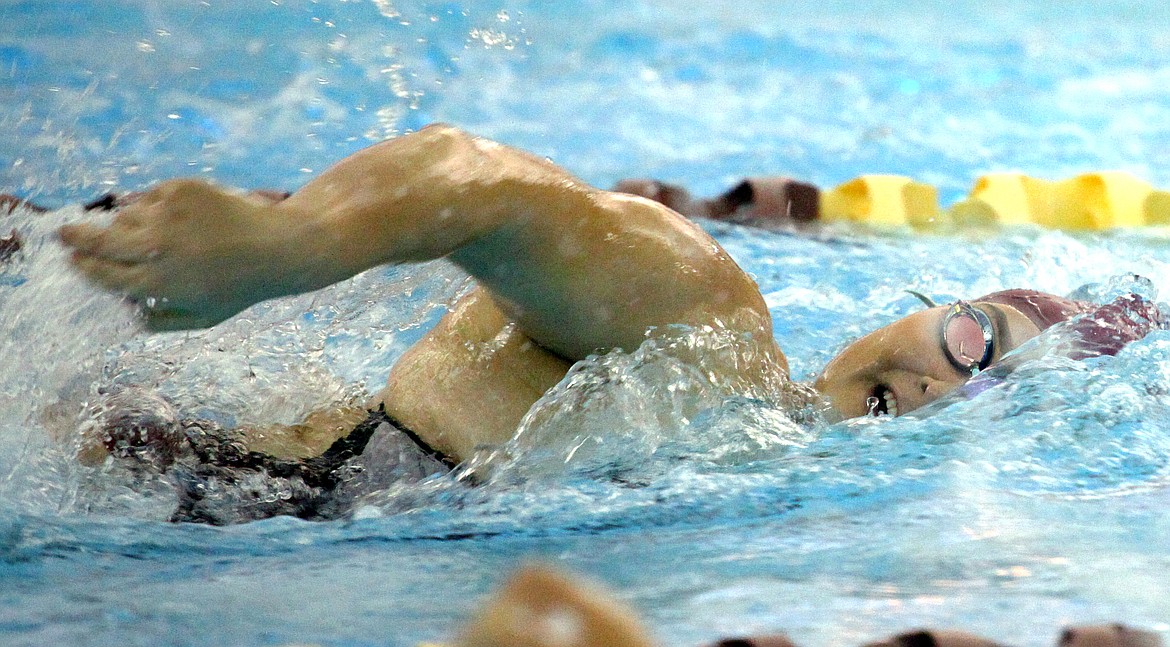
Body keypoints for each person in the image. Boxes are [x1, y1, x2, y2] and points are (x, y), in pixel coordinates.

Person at [54, 124, 1164, 522]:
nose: (946, 391)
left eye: (997, 399)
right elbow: (475, 178)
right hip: (167, 479)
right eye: (977, 342)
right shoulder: (711, 328)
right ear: (921, 307)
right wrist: (281, 253)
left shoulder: (776, 505)